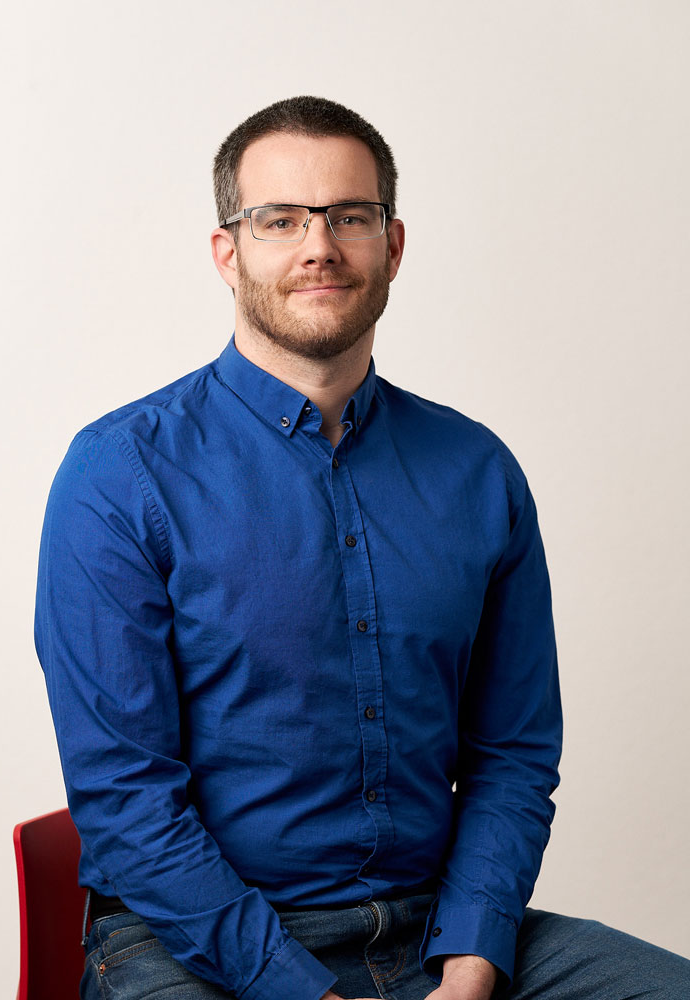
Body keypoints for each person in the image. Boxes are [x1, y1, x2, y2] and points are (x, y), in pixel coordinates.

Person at [34, 96, 690, 1000]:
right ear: (228, 252)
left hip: (437, 929)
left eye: (350, 216)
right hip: (195, 944)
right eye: (280, 220)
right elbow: (124, 798)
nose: (319, 246)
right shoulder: (119, 474)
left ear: (393, 244)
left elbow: (512, 753)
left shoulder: (478, 472)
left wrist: (472, 963)